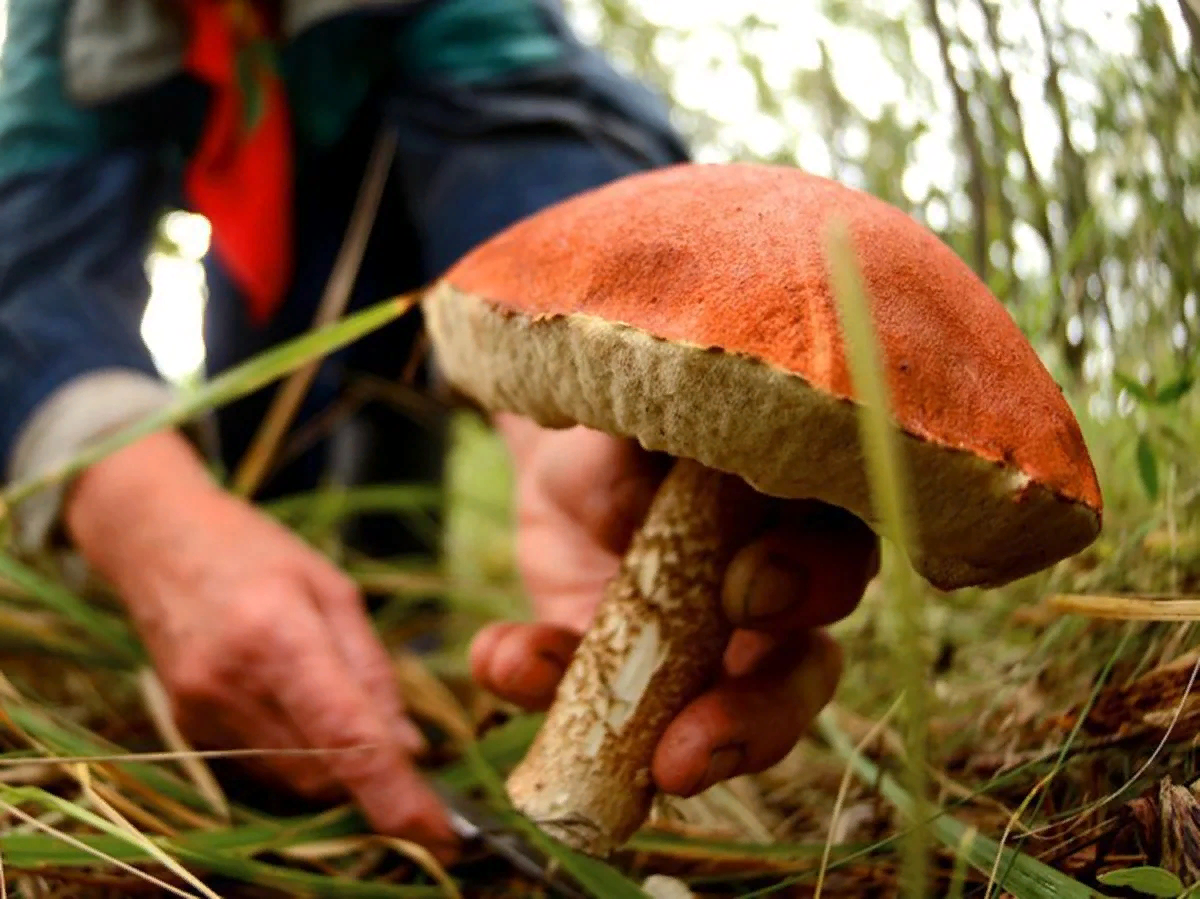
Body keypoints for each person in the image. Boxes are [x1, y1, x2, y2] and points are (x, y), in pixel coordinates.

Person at [0, 0, 880, 862]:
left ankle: (405, 678)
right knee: (262, 484)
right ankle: (277, 728)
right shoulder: (65, 22)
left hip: (412, 257)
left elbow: (522, 122)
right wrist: (154, 523)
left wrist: (577, 416)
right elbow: (28, 259)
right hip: (250, 270)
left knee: (395, 508)